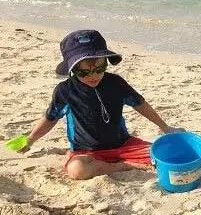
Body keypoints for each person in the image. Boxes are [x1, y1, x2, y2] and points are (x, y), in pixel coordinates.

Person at [18, 30, 183, 180]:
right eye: (84, 72)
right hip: (87, 153)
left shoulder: (116, 83)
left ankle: (123, 160)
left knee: (168, 155)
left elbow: (140, 105)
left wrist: (165, 127)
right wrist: (31, 139)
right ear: (72, 69)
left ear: (106, 62)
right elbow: (50, 118)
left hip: (124, 145)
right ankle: (122, 166)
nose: (93, 76)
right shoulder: (65, 91)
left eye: (99, 68)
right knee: (77, 170)